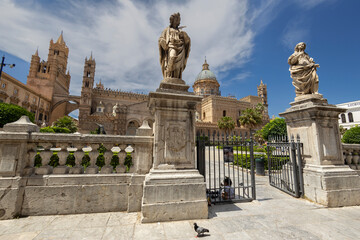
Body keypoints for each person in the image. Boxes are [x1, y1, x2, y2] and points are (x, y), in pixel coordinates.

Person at [158, 12, 191, 79]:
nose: (177, 21)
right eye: (176, 19)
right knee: (172, 57)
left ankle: (176, 78)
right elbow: (161, 38)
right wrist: (164, 43)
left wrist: (184, 35)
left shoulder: (180, 31)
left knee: (179, 65)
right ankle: (168, 75)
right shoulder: (167, 30)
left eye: (178, 20)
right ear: (172, 21)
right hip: (171, 46)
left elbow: (187, 41)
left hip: (181, 47)